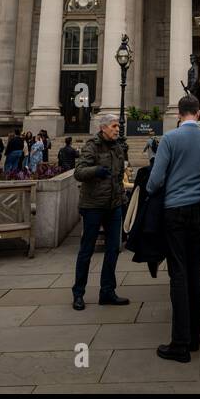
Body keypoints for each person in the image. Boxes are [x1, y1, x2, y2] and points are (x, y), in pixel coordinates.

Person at [147, 94, 200, 363]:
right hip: (198, 213)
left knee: (178, 273)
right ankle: (195, 337)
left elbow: (155, 180)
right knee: (194, 271)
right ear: (198, 113)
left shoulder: (170, 139)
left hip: (174, 212)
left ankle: (180, 343)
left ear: (178, 114)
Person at [71, 113, 130, 310]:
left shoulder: (118, 148)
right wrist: (96, 170)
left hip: (113, 206)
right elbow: (78, 172)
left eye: (117, 126)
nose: (117, 129)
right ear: (103, 128)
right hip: (93, 206)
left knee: (113, 249)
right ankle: (78, 293)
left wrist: (122, 199)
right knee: (86, 251)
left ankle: (107, 291)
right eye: (114, 126)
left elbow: (120, 176)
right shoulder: (92, 146)